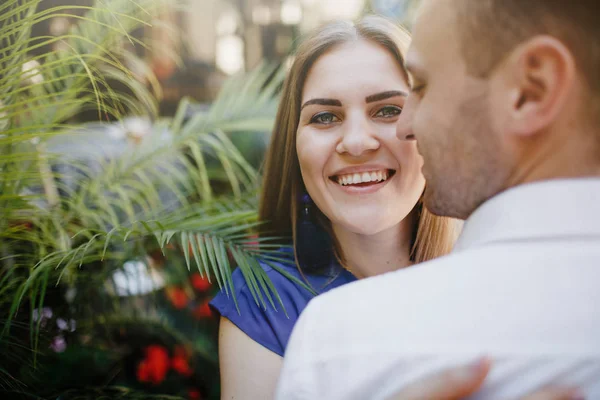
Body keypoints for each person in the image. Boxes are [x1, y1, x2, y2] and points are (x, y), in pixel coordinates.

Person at [275, 0, 600, 399]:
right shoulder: (316, 326)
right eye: (324, 117)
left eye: (422, 88)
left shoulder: (338, 343)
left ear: (533, 90)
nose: (408, 126)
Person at [209, 16, 461, 400]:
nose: (357, 142)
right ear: (294, 149)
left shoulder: (488, 269)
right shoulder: (267, 301)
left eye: (388, 110)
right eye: (325, 117)